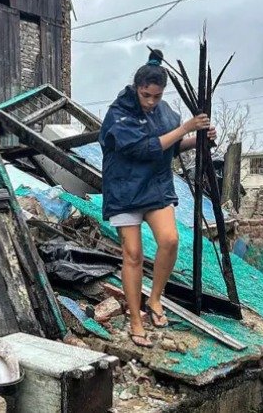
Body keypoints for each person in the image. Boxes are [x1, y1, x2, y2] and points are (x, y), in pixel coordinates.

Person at [98, 49, 217, 348]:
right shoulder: (119, 113)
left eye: (156, 96)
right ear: (137, 88)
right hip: (125, 190)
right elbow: (145, 149)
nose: (151, 102)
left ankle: (154, 299)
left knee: (170, 240)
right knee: (133, 254)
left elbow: (171, 148)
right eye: (146, 95)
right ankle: (135, 319)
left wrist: (199, 139)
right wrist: (184, 128)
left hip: (155, 187)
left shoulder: (166, 114)